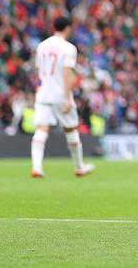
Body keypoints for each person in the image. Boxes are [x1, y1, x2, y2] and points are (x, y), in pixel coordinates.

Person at [30, 17, 94, 179]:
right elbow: (67, 73)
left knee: (41, 129)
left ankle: (37, 167)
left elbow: (39, 71)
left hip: (43, 93)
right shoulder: (69, 48)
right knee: (71, 129)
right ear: (67, 28)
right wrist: (67, 98)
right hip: (59, 94)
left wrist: (39, 89)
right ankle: (79, 166)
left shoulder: (42, 46)